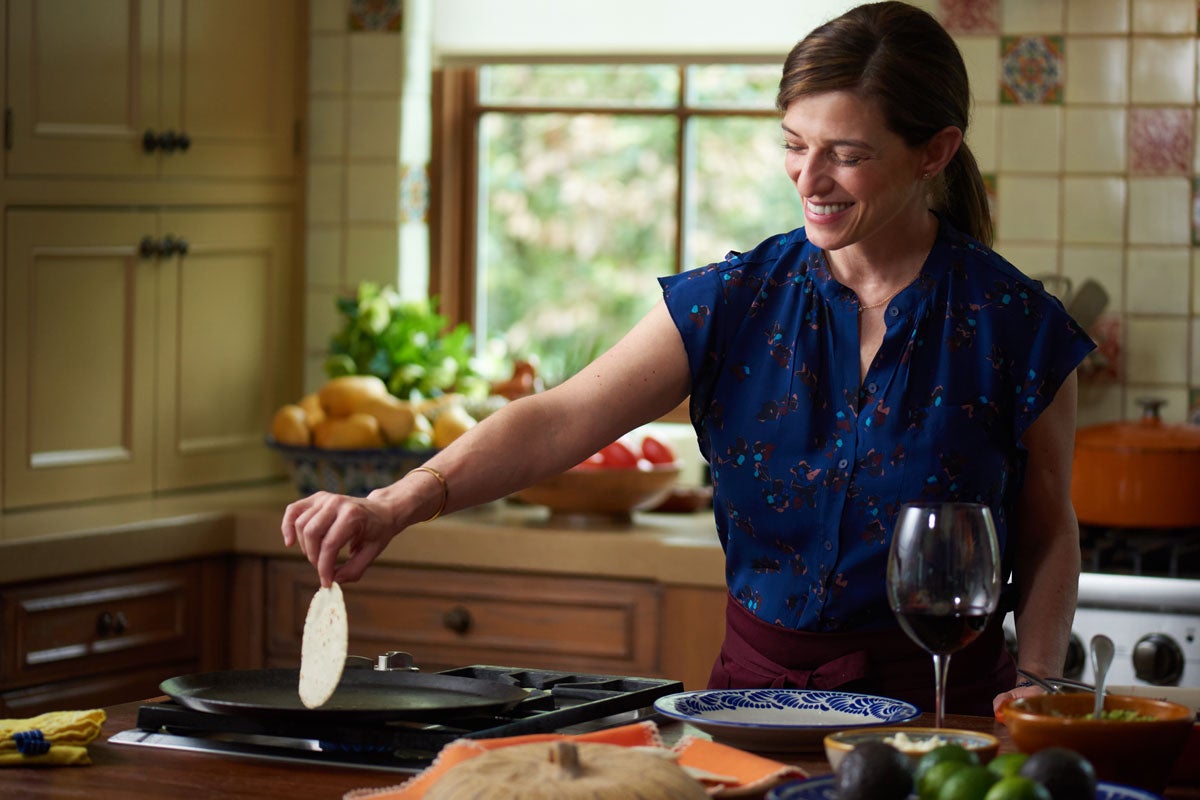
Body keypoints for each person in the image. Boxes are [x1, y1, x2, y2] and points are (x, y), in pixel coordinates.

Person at [283, 1, 1094, 719]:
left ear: (934, 152)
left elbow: (1049, 532)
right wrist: (394, 503)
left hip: (943, 711)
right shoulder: (734, 301)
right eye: (793, 144)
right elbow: (559, 418)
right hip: (753, 707)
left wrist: (1038, 684)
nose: (809, 179)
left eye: (845, 154)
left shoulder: (1018, 327)